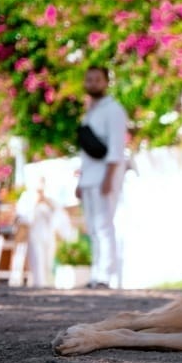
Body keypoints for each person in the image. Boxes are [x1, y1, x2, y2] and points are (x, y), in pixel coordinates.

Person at [76, 65, 128, 289]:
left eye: (97, 80)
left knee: (104, 225)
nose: (92, 84)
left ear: (106, 82)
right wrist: (80, 181)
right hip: (89, 177)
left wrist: (109, 178)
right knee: (93, 228)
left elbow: (116, 147)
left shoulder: (114, 110)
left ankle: (106, 276)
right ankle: (96, 272)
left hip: (104, 177)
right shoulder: (90, 112)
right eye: (89, 80)